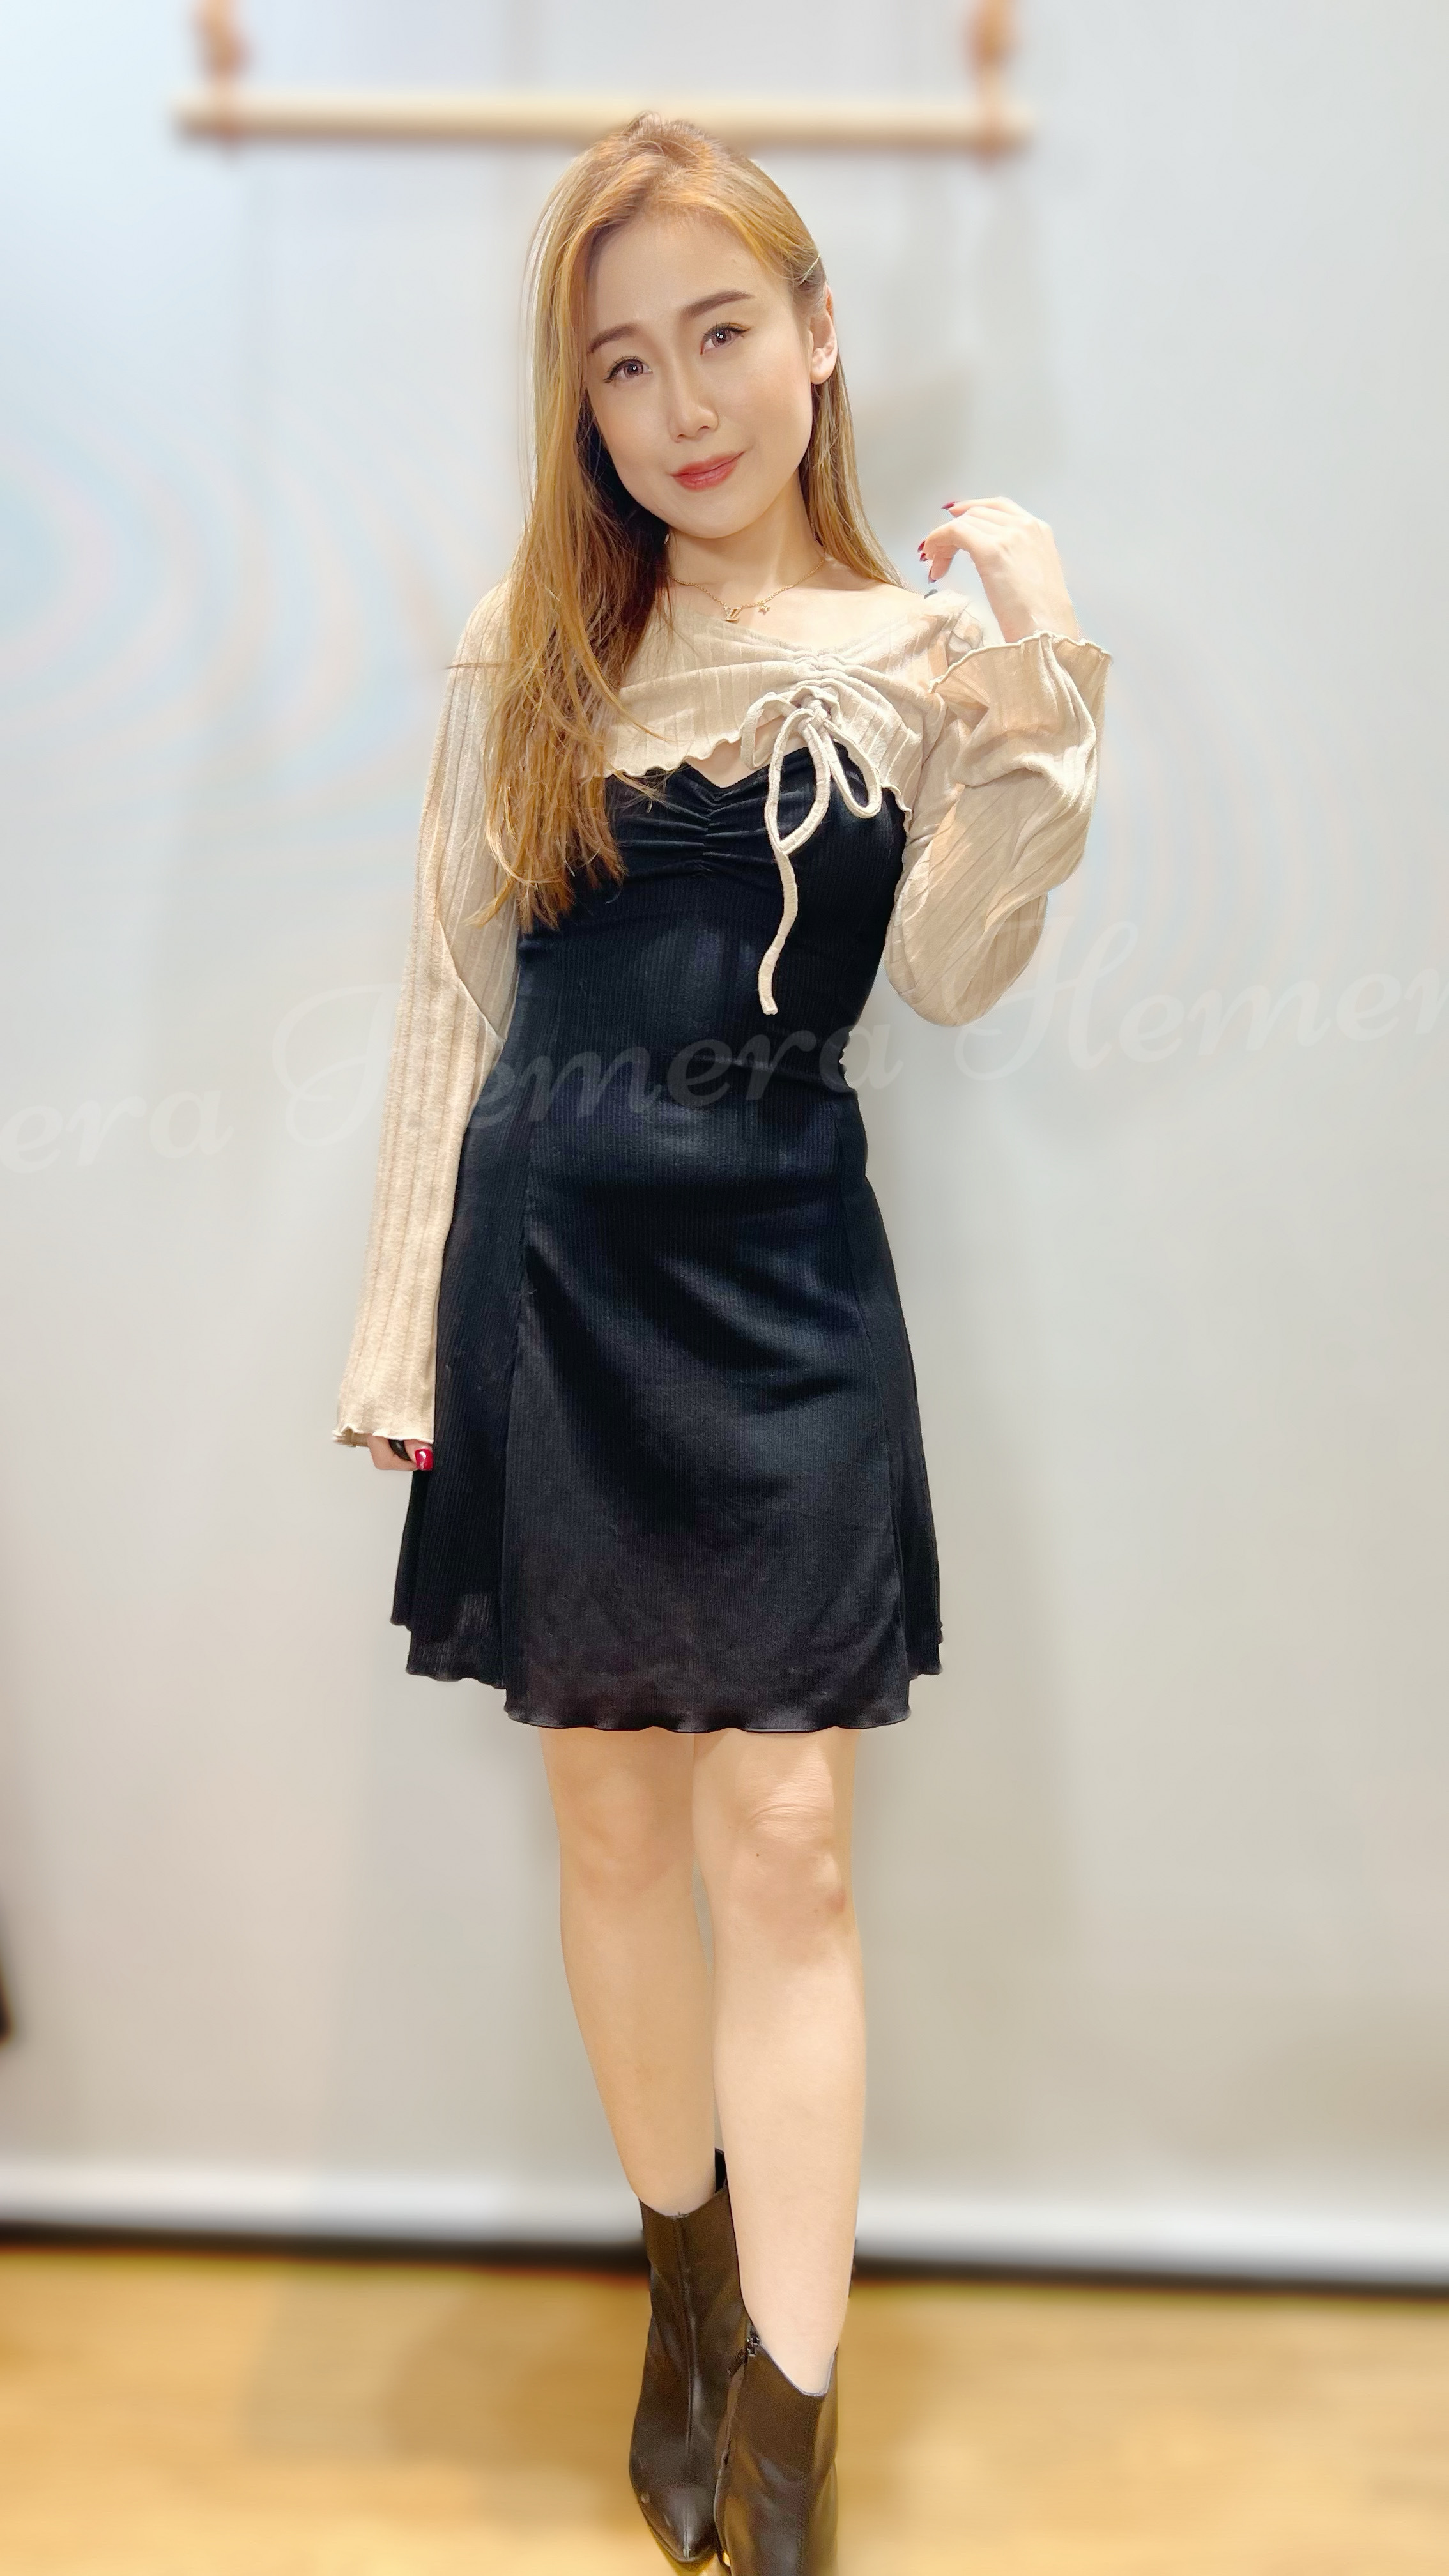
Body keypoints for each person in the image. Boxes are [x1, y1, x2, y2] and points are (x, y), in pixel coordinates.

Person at [335, 114, 1107, 2576]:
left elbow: (957, 969)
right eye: (623, 363)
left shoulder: (915, 655)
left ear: (818, 339)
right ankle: (683, 2301)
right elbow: (452, 992)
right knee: (609, 1825)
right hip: (547, 1273)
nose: (681, 404)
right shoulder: (532, 645)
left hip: (781, 1276)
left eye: (722, 334)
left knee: (784, 1843)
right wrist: (402, 1339)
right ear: (578, 401)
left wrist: (1037, 674)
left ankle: (784, 2444)